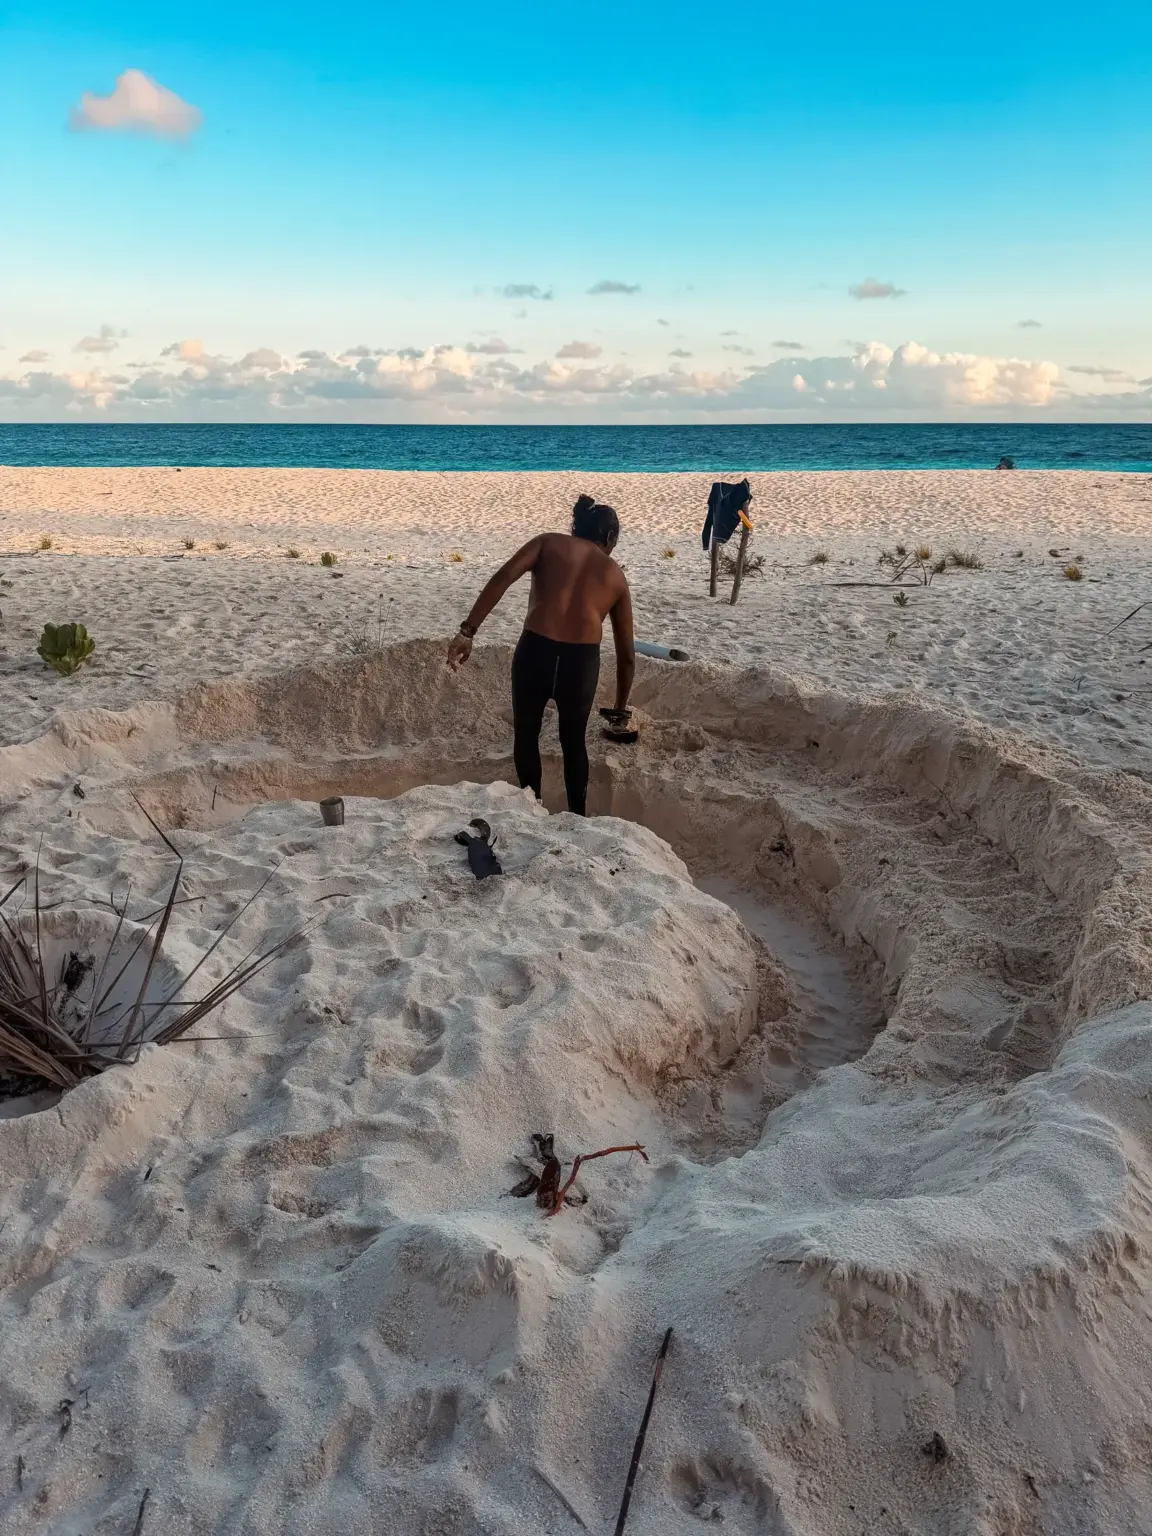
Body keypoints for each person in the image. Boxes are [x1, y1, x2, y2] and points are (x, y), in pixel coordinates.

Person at [446, 494, 635, 816]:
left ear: (576, 527)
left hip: (536, 651)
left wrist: (467, 632)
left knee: (527, 733)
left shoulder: (547, 543)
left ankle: (531, 807)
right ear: (610, 538)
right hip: (580, 662)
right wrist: (619, 711)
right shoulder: (615, 576)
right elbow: (626, 655)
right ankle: (578, 816)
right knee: (574, 743)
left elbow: (502, 578)